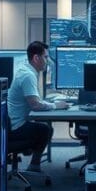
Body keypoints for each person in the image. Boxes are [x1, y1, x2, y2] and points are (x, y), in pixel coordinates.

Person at [8, 41, 67, 173]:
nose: (48, 61)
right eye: (45, 57)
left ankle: (30, 155)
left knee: (42, 126)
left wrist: (48, 104)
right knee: (46, 130)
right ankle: (34, 166)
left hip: (13, 122)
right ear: (36, 58)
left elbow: (35, 101)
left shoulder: (26, 70)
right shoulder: (28, 76)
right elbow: (35, 105)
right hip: (16, 127)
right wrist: (55, 105)